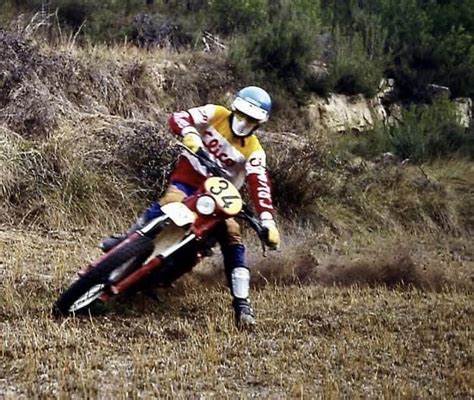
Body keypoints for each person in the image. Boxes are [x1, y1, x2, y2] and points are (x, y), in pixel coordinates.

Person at [103, 86, 280, 327]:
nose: (244, 121)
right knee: (169, 203)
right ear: (234, 108)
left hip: (220, 199)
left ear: (259, 124)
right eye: (241, 114)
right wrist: (190, 134)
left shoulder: (255, 151)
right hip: (188, 180)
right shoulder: (215, 113)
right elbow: (178, 117)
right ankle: (128, 241)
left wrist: (267, 221)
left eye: (251, 120)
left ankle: (242, 304)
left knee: (233, 235)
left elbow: (259, 184)